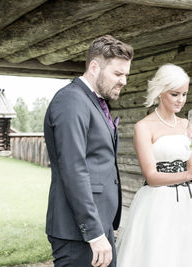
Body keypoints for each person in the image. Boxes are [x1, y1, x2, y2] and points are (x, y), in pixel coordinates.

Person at [44, 35, 133, 267]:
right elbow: (74, 169)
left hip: (98, 227)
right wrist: (93, 233)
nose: (124, 81)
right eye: (117, 74)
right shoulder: (71, 101)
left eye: (126, 75)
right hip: (79, 232)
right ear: (94, 67)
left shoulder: (92, 101)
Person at [116, 64, 192, 267]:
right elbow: (151, 176)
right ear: (160, 92)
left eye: (184, 94)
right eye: (175, 94)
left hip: (187, 203)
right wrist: (189, 174)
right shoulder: (143, 127)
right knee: (157, 256)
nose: (181, 100)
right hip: (156, 204)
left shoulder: (187, 124)